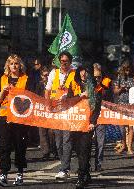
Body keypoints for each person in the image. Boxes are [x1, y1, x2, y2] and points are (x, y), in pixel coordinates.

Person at [0, 54, 30, 186]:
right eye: (12, 63)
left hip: (20, 117)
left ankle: (19, 174)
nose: (14, 66)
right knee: (4, 146)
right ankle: (3, 175)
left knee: (20, 146)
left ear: (20, 65)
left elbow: (33, 98)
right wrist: (3, 91)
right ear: (8, 66)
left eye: (16, 63)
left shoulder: (26, 79)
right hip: (5, 116)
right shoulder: (2, 79)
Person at [67, 65, 102, 189]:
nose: (83, 73)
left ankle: (81, 177)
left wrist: (93, 122)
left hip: (88, 124)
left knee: (84, 150)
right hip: (75, 123)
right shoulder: (73, 84)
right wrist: (81, 95)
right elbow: (69, 102)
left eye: (86, 71)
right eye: (81, 71)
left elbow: (97, 107)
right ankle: (86, 172)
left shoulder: (96, 88)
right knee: (78, 150)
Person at [45, 51, 75, 179]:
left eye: (66, 61)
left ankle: (65, 168)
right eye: (62, 61)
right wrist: (47, 105)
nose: (64, 63)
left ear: (70, 62)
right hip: (56, 110)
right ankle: (64, 165)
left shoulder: (74, 74)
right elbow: (47, 90)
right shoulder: (53, 73)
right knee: (58, 141)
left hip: (69, 110)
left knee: (67, 139)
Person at [93, 63, 112, 171]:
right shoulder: (87, 87)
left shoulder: (106, 88)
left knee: (100, 143)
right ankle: (86, 165)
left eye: (99, 77)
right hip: (88, 119)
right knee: (86, 144)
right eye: (95, 77)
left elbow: (111, 103)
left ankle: (98, 164)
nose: (97, 79)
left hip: (101, 118)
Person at [36, 66, 58, 160]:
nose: (46, 76)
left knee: (52, 132)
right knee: (42, 132)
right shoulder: (39, 85)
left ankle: (55, 150)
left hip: (52, 110)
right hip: (42, 111)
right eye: (44, 75)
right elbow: (35, 97)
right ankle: (46, 152)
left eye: (48, 75)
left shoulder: (53, 85)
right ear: (41, 76)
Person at [113, 60, 134, 154]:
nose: (127, 71)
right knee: (121, 127)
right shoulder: (119, 77)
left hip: (131, 105)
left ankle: (129, 147)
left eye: (129, 69)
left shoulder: (133, 77)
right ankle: (124, 144)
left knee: (130, 127)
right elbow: (115, 91)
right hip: (121, 104)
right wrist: (121, 88)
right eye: (126, 70)